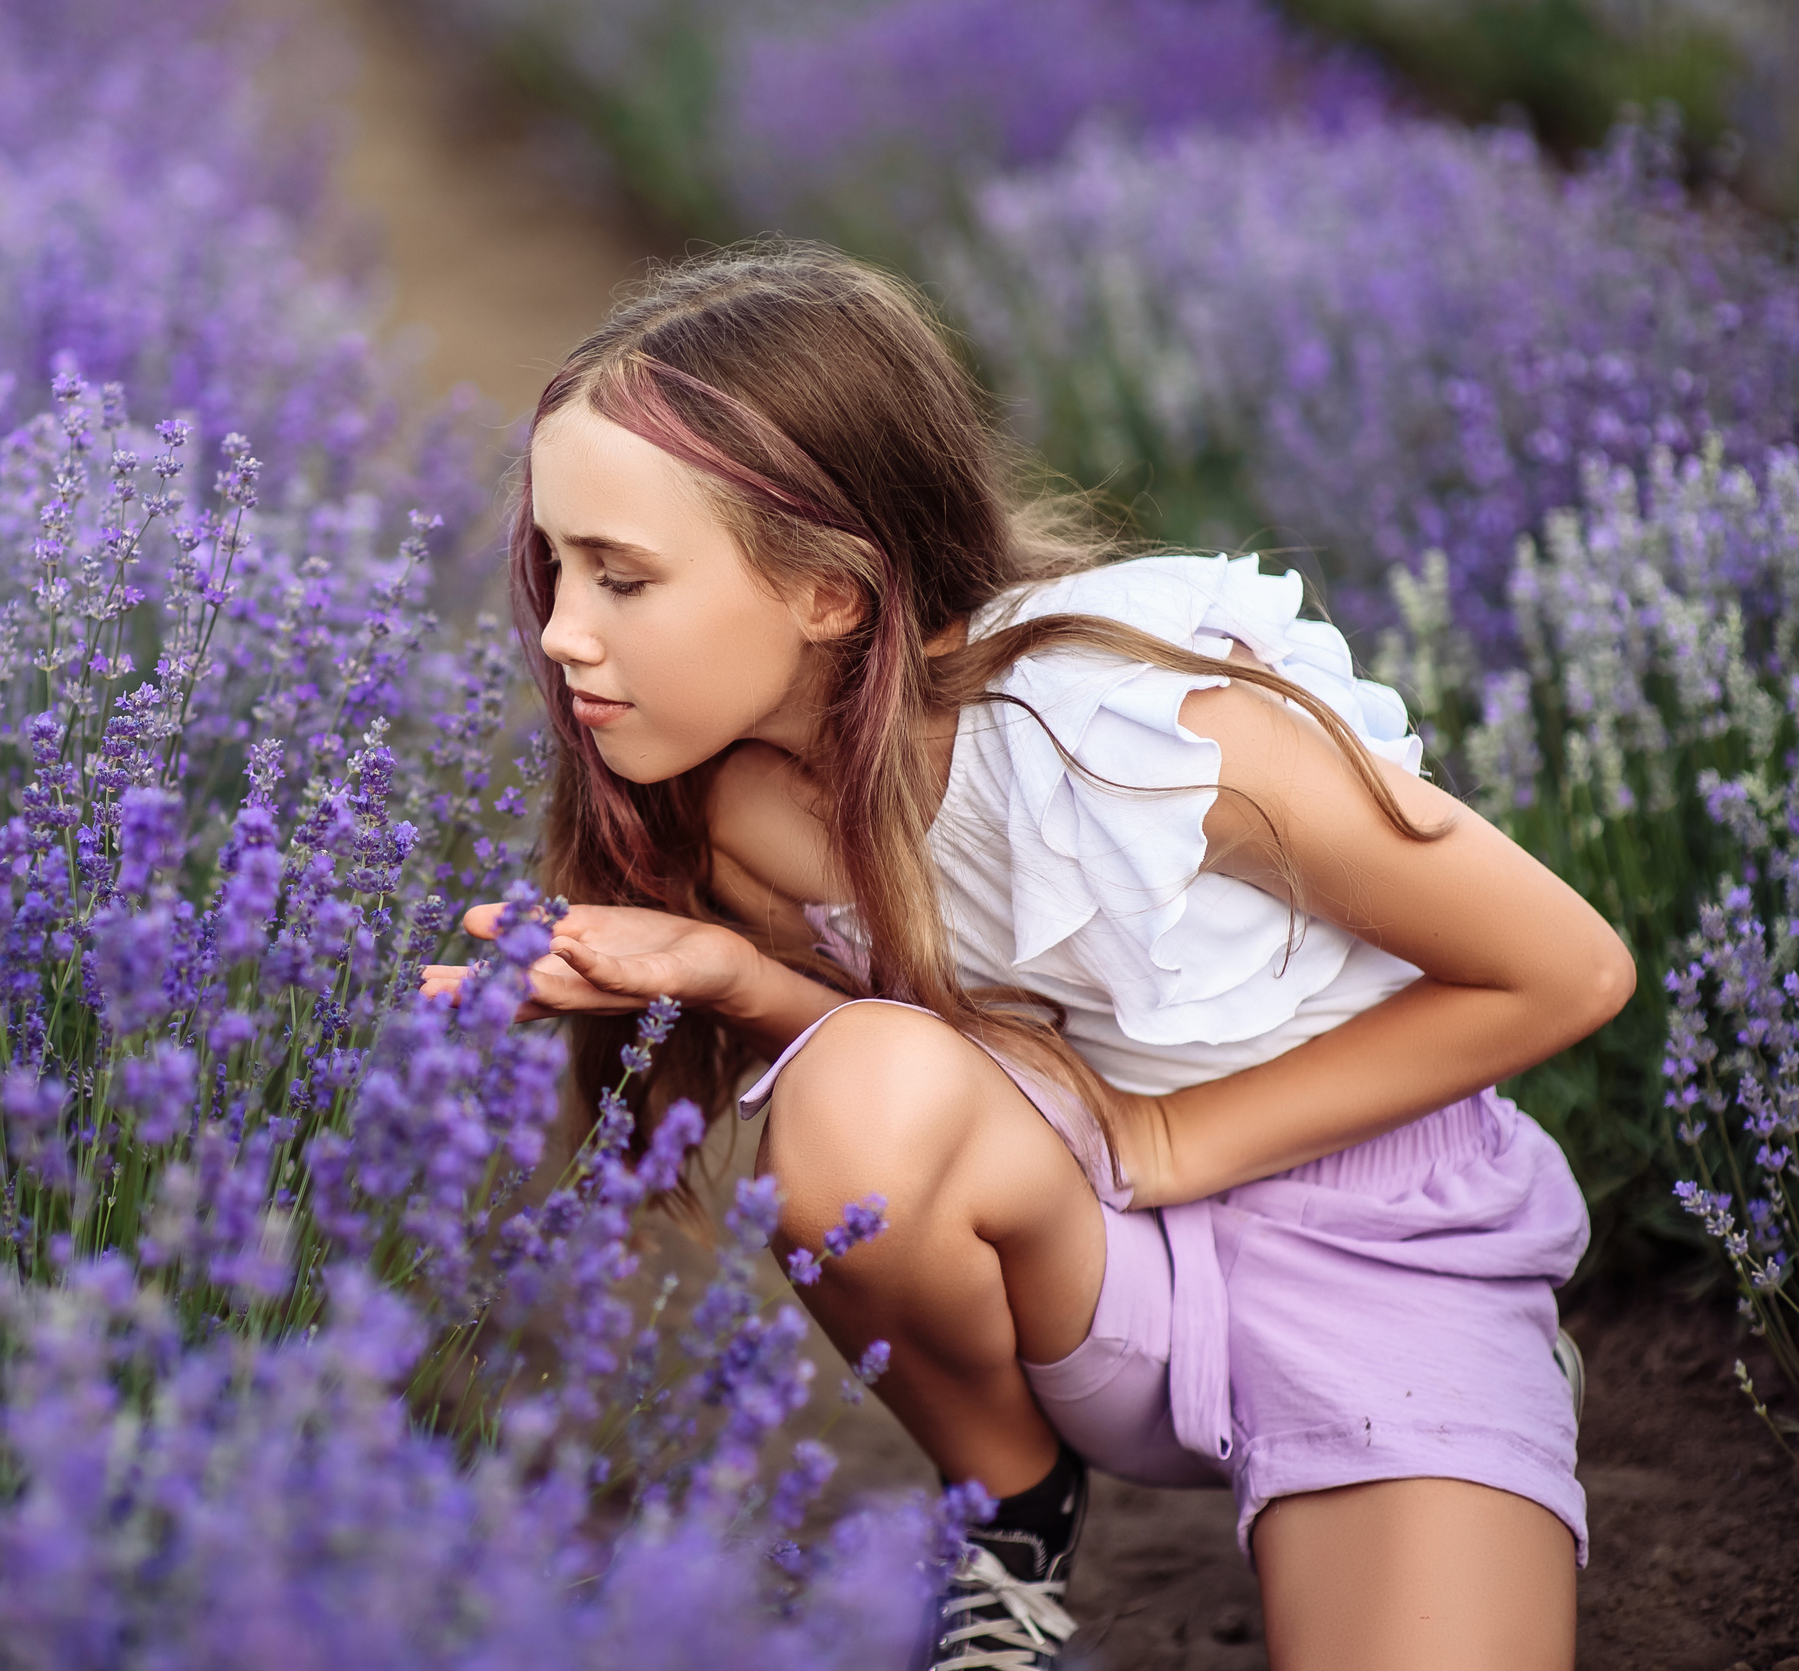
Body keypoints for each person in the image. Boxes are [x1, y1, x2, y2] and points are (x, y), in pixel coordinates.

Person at [420, 243, 1627, 1670]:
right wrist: (738, 980)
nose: (560, 632)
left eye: (621, 576)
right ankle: (1010, 1517)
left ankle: (1475, 1404)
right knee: (853, 1086)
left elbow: (1568, 969)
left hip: (1374, 1249)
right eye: (554, 566)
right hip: (1100, 1254)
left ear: (830, 592)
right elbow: (924, 1076)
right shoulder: (740, 809)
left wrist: (1183, 1130)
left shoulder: (1154, 743)